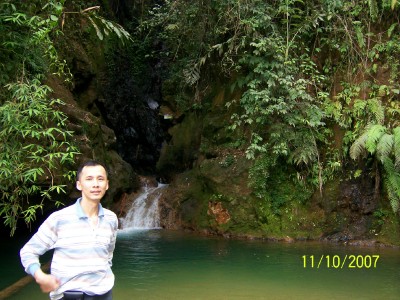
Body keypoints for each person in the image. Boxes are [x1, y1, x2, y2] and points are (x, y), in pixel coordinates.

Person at [20, 160, 118, 300]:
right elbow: (28, 252)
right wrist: (40, 275)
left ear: (107, 184)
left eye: (100, 179)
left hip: (103, 294)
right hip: (67, 296)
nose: (95, 184)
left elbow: (108, 255)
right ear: (79, 185)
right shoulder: (59, 219)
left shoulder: (111, 219)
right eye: (89, 179)